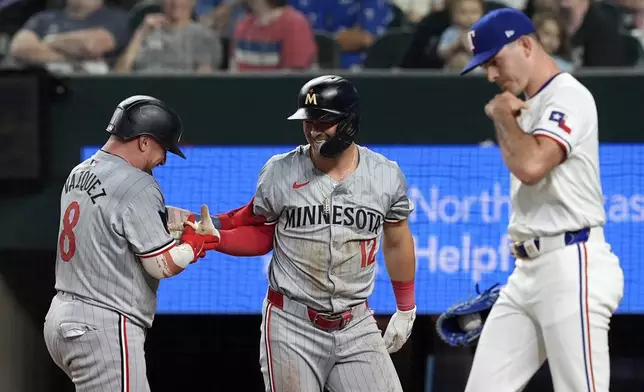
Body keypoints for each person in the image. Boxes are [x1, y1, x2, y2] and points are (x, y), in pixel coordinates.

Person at [208, 75, 418, 391]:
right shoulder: (279, 170)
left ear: (349, 122)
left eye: (324, 121)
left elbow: (398, 239)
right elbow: (264, 235)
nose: (314, 129)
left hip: (356, 323)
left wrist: (406, 307)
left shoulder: (385, 175)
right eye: (309, 121)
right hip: (292, 324)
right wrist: (218, 238)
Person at [459, 8, 624, 392]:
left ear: (526, 44)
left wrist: (502, 116)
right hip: (528, 272)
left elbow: (532, 165)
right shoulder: (530, 103)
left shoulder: (567, 95)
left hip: (572, 263)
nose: (492, 75)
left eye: (495, 61)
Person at [42, 95, 222, 391]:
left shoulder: (81, 171)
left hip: (62, 316)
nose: (163, 159)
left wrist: (190, 221)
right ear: (144, 141)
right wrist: (193, 243)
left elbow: (120, 219)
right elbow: (162, 265)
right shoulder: (139, 183)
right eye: (163, 148)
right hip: (104, 323)